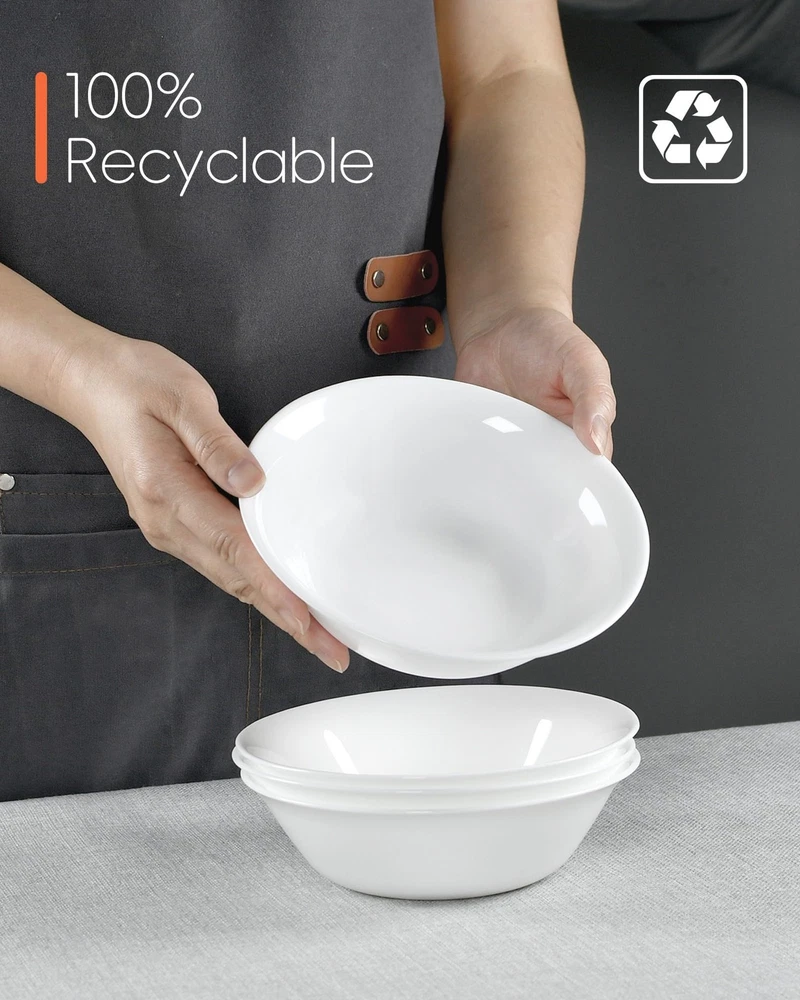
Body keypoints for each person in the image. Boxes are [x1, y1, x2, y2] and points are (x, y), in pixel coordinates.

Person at [0, 0, 615, 800]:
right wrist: (73, 369)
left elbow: (507, 71)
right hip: (55, 517)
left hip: (399, 535)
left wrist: (513, 305)